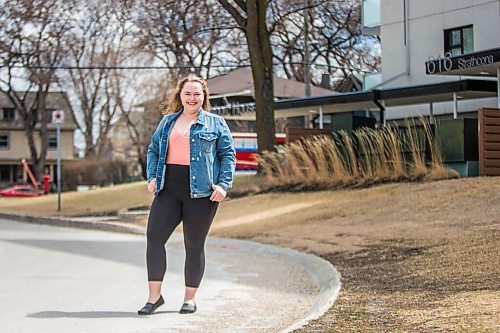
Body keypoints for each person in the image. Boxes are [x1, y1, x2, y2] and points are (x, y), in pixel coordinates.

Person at [138, 75, 236, 315]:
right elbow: (153, 151)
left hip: (202, 193)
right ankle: (154, 297)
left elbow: (228, 155)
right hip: (168, 189)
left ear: (204, 97)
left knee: (193, 245)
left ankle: (189, 299)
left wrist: (223, 185)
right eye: (188, 94)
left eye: (197, 94)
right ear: (180, 96)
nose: (192, 98)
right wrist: (152, 177)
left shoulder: (216, 123)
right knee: (154, 237)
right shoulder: (167, 122)